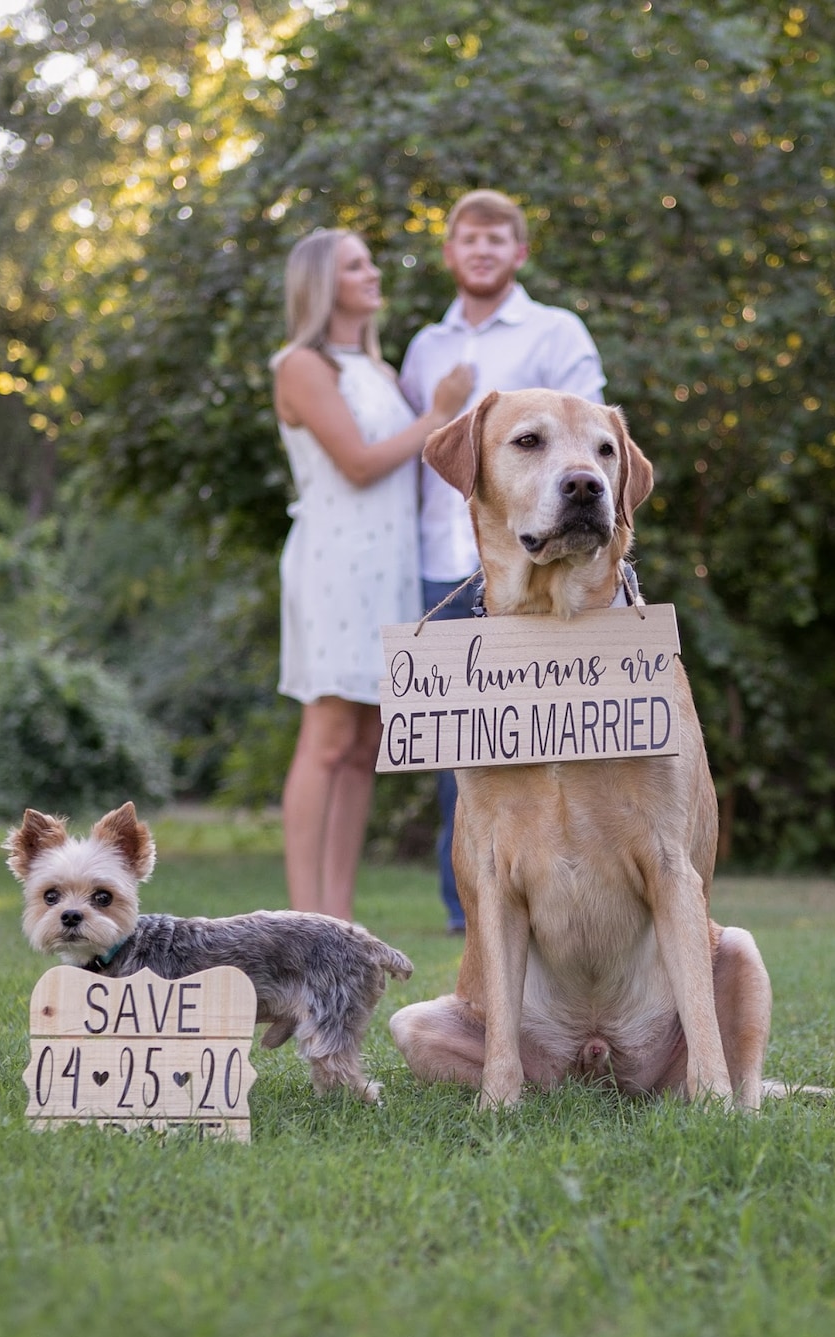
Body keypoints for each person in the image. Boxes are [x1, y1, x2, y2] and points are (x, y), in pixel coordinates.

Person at [398, 190, 607, 934]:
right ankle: (471, 914)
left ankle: (570, 906)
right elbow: (418, 452)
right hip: (445, 563)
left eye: (497, 239)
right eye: (469, 239)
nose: (482, 250)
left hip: (548, 567)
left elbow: (589, 425)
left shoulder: (556, 329)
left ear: (519, 253)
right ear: (451, 254)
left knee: (563, 736)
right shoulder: (426, 345)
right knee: (468, 752)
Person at [271, 228, 473, 921]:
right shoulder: (302, 365)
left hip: (388, 566)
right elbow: (357, 462)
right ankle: (303, 925)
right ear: (324, 282)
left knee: (365, 746)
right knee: (326, 737)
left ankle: (339, 919)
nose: (373, 272)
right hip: (334, 562)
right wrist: (438, 415)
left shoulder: (380, 372)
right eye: (357, 264)